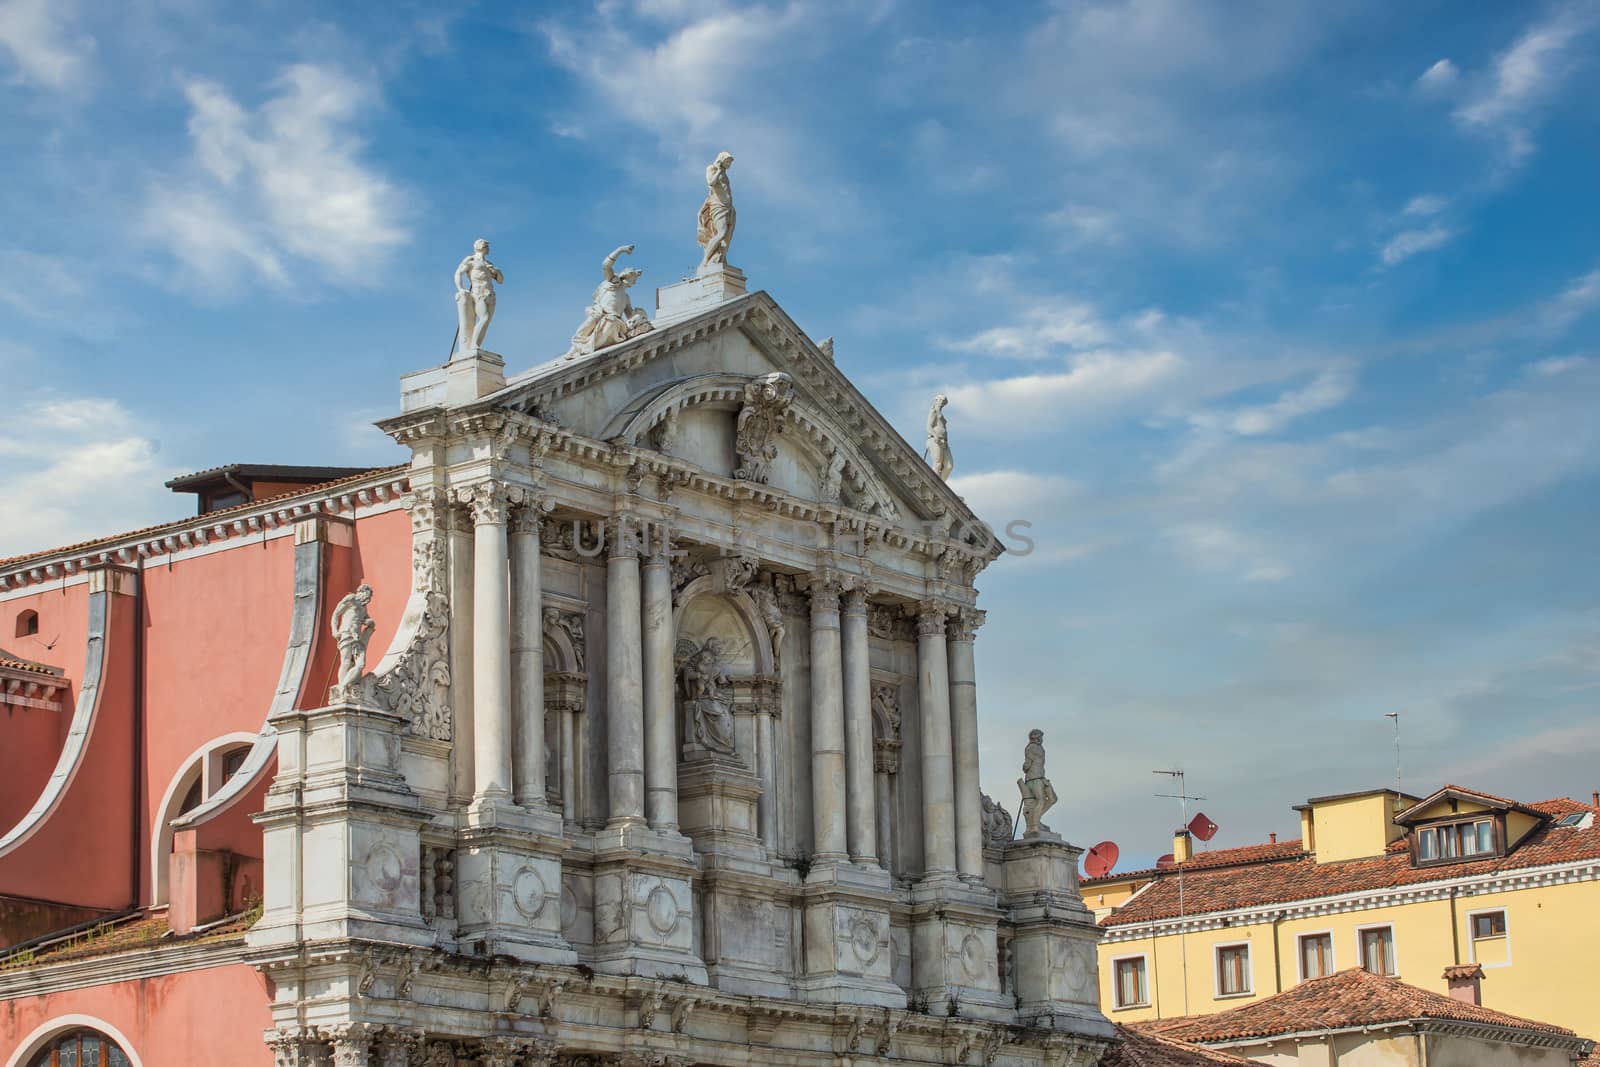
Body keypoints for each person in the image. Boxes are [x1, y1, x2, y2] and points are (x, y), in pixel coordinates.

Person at [565, 244, 651, 358]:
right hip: (600, 314)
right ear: (628, 276)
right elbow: (606, 265)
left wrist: (641, 318)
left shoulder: (626, 298)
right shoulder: (614, 282)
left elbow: (630, 317)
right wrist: (621, 250)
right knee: (593, 320)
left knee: (610, 323)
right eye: (634, 278)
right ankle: (577, 346)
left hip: (615, 322)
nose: (635, 282)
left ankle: (585, 346)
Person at [453, 238, 503, 355]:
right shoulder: (471, 260)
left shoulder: (489, 263)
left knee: (486, 322)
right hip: (478, 293)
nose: (488, 248)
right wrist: (460, 288)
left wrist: (497, 271)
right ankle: (473, 344)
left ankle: (476, 345)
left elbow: (500, 280)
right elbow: (458, 273)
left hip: (490, 294)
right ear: (479, 246)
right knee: (484, 318)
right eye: (486, 245)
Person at [697, 152, 736, 271]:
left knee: (726, 237)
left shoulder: (725, 173)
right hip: (717, 206)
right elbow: (711, 182)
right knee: (721, 233)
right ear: (722, 160)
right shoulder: (712, 168)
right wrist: (718, 171)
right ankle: (706, 260)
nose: (729, 164)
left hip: (728, 207)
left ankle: (721, 258)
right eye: (728, 161)